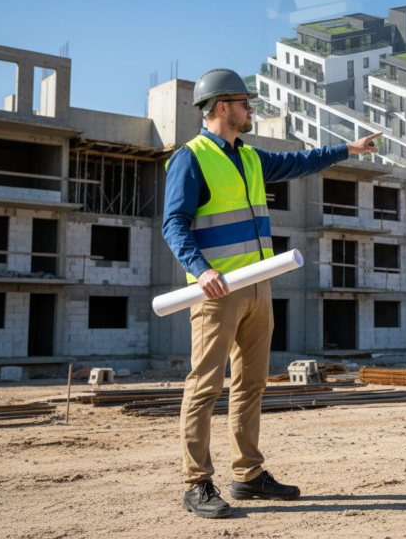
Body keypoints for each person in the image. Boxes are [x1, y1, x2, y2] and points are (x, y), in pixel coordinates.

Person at [162, 68, 381, 518]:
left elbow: (300, 163)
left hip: (258, 286)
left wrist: (349, 149)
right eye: (245, 103)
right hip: (217, 292)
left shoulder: (249, 157)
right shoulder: (191, 158)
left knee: (252, 384)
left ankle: (247, 475)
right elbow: (173, 224)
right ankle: (197, 483)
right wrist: (201, 271)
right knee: (205, 386)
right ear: (222, 106)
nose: (250, 110)